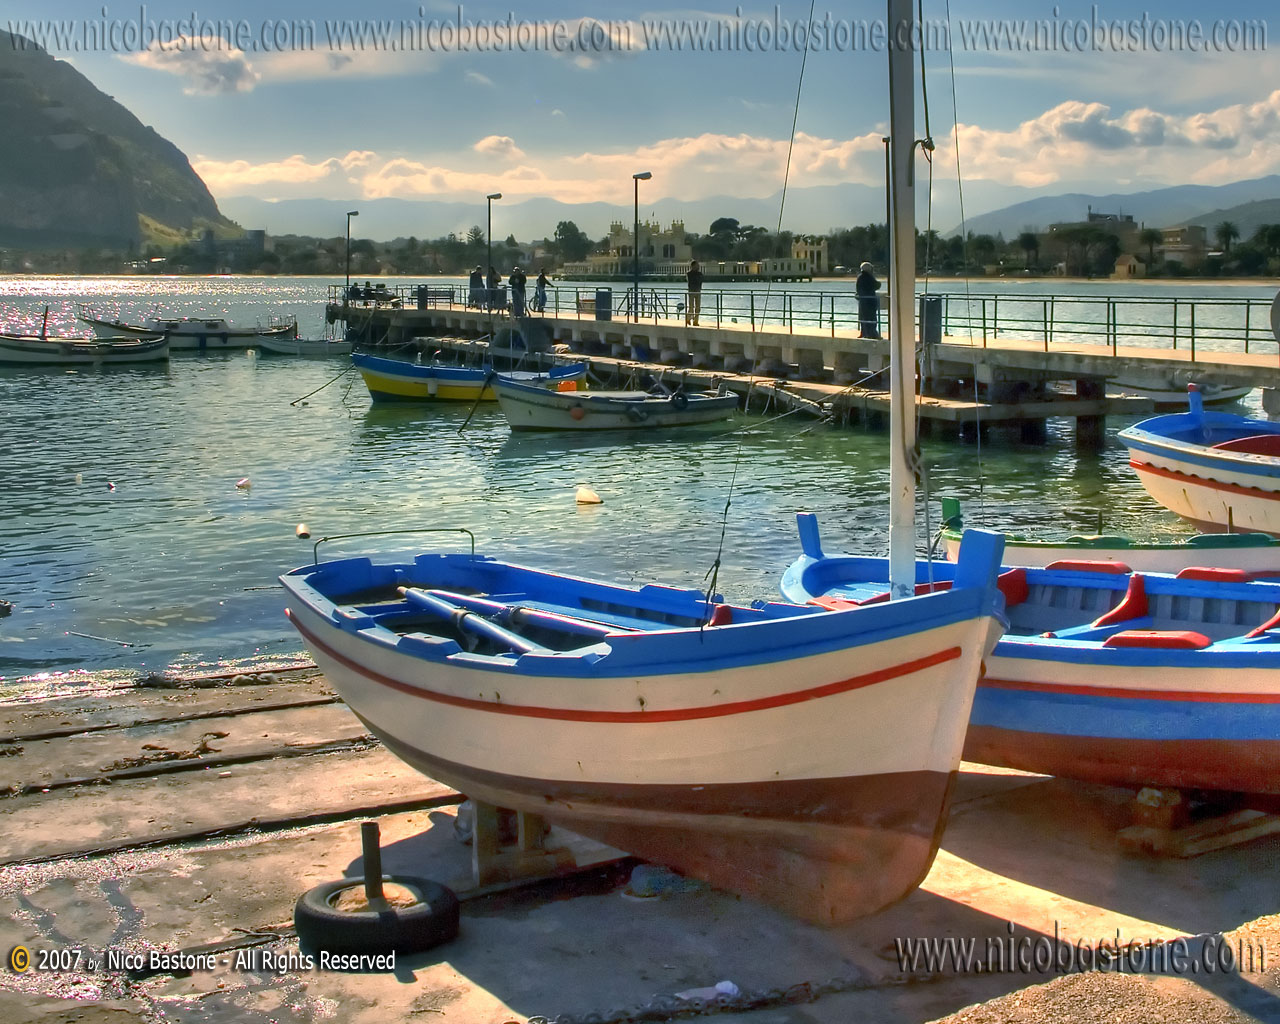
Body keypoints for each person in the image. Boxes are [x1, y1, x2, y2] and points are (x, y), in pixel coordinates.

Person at [855, 261, 881, 339]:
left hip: (862, 301)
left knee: (863, 317)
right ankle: (872, 334)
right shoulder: (869, 277)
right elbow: (876, 285)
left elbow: (858, 289)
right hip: (870, 301)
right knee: (871, 317)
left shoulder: (860, 277)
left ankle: (864, 333)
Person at [685, 259, 703, 326]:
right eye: (697, 265)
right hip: (691, 291)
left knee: (698, 307)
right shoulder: (689, 274)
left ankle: (695, 321)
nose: (698, 266)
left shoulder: (700, 274)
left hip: (698, 291)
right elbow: (690, 281)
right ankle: (688, 318)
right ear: (693, 266)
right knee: (691, 307)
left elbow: (700, 281)